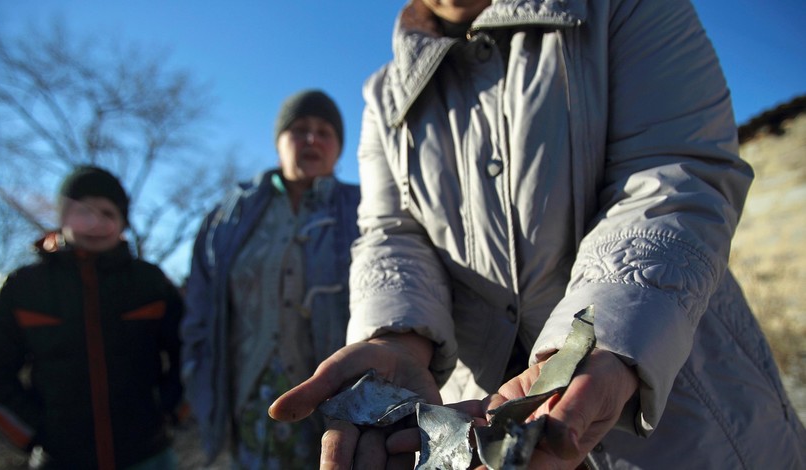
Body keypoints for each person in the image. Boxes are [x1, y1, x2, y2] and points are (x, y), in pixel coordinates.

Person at [269, 1, 806, 469]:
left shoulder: (618, 6)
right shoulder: (385, 96)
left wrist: (597, 342)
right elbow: (391, 233)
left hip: (688, 414)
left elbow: (676, 175)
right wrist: (394, 337)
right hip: (475, 420)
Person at [0, 166, 184, 470]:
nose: (95, 223)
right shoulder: (23, 286)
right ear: (63, 217)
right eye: (83, 211)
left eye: (108, 213)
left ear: (122, 222)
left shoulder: (150, 281)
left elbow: (194, 350)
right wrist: (33, 431)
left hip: (150, 454)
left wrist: (171, 410)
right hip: (60, 460)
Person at [181, 89, 361, 467]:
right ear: (279, 142)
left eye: (324, 131)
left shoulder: (364, 208)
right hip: (245, 401)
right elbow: (199, 309)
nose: (312, 139)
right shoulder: (229, 216)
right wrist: (198, 385)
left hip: (336, 407)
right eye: (299, 129)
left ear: (339, 148)